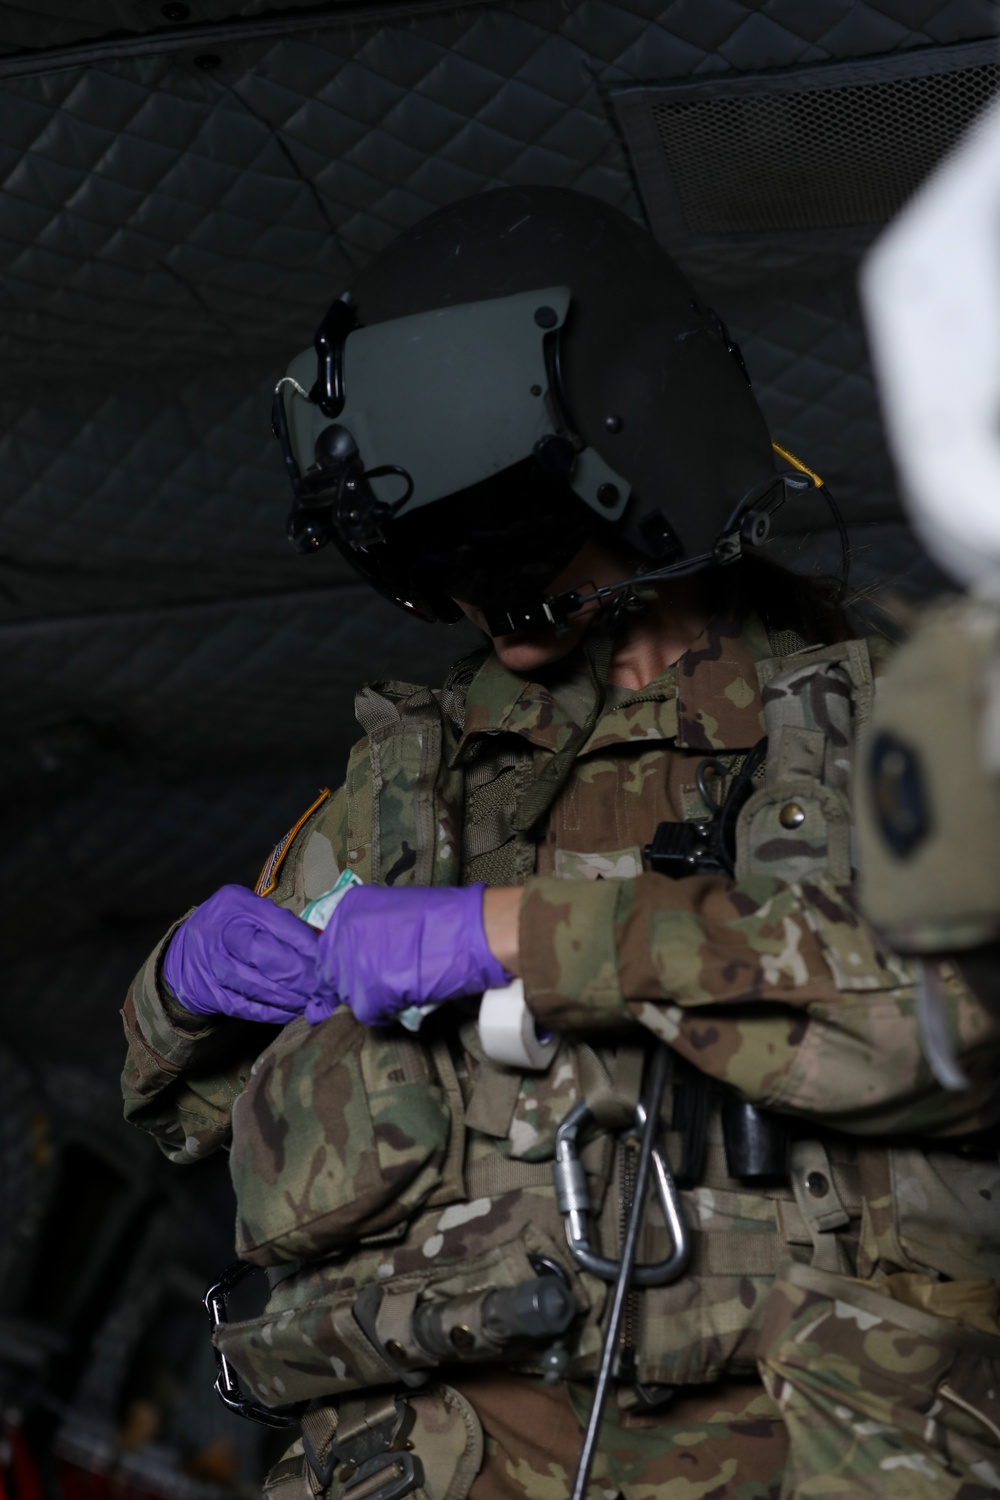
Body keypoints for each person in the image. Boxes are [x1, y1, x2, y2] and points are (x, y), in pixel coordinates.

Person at [122, 188, 1000, 1500]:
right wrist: (179, 990)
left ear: (649, 468)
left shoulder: (889, 727)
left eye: (510, 541)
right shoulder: (411, 780)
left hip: (787, 1439)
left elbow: (940, 1026)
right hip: (408, 1447)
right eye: (438, 562)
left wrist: (512, 934)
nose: (483, 596)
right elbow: (187, 1111)